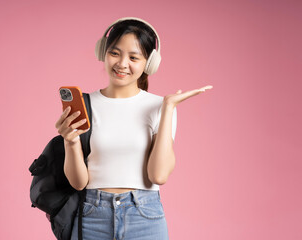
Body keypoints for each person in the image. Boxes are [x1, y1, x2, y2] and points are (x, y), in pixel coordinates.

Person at [55, 17, 212, 240]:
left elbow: (158, 175)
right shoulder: (86, 104)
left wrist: (167, 108)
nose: (122, 64)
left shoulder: (160, 106)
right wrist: (70, 141)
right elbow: (79, 183)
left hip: (144, 216)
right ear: (103, 52)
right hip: (91, 215)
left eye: (134, 57)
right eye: (115, 53)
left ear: (149, 63)